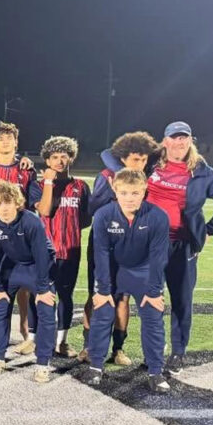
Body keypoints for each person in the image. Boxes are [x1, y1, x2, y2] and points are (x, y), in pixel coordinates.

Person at [144, 121, 213, 375]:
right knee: (150, 298)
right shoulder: (151, 162)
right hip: (150, 242)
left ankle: (178, 353)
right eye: (174, 137)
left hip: (182, 244)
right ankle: (154, 349)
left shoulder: (202, 171)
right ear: (165, 141)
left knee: (181, 300)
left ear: (190, 140)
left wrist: (209, 229)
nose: (180, 142)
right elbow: (111, 156)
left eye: (184, 137)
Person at [87, 169, 171, 393]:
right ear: (115, 190)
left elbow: (158, 257)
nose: (129, 198)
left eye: (135, 193)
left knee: (153, 317)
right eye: (124, 193)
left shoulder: (158, 216)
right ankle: (95, 366)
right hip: (114, 270)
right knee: (102, 313)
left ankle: (155, 371)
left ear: (144, 190)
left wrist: (154, 291)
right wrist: (103, 289)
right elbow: (100, 253)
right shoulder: (104, 215)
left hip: (144, 272)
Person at [82, 131, 160, 363]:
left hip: (132, 243)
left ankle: (118, 349)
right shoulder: (107, 176)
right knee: (96, 294)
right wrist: (113, 196)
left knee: (123, 297)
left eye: (144, 159)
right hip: (103, 242)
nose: (140, 164)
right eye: (135, 159)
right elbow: (92, 208)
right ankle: (88, 346)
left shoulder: (146, 179)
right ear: (123, 158)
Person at [0, 180, 57, 382]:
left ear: (17, 203)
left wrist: (43, 289)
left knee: (46, 307)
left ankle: (43, 363)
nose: (4, 208)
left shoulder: (31, 221)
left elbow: (42, 254)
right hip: (12, 265)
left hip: (38, 265)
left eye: (8, 202)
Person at [28, 136, 90, 358]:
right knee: (40, 294)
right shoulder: (37, 186)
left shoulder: (81, 186)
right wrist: (48, 183)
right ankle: (33, 340)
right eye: (54, 157)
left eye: (64, 156)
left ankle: (61, 342)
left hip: (70, 250)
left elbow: (86, 219)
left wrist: (68, 230)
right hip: (43, 251)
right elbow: (44, 211)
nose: (60, 161)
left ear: (71, 158)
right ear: (47, 160)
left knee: (65, 295)